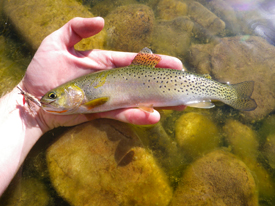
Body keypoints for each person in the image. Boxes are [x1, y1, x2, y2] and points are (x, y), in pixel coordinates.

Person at [0, 17, 183, 195]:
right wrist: (31, 112)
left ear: (74, 92)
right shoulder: (74, 99)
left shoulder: (85, 100)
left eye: (53, 96)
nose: (48, 100)